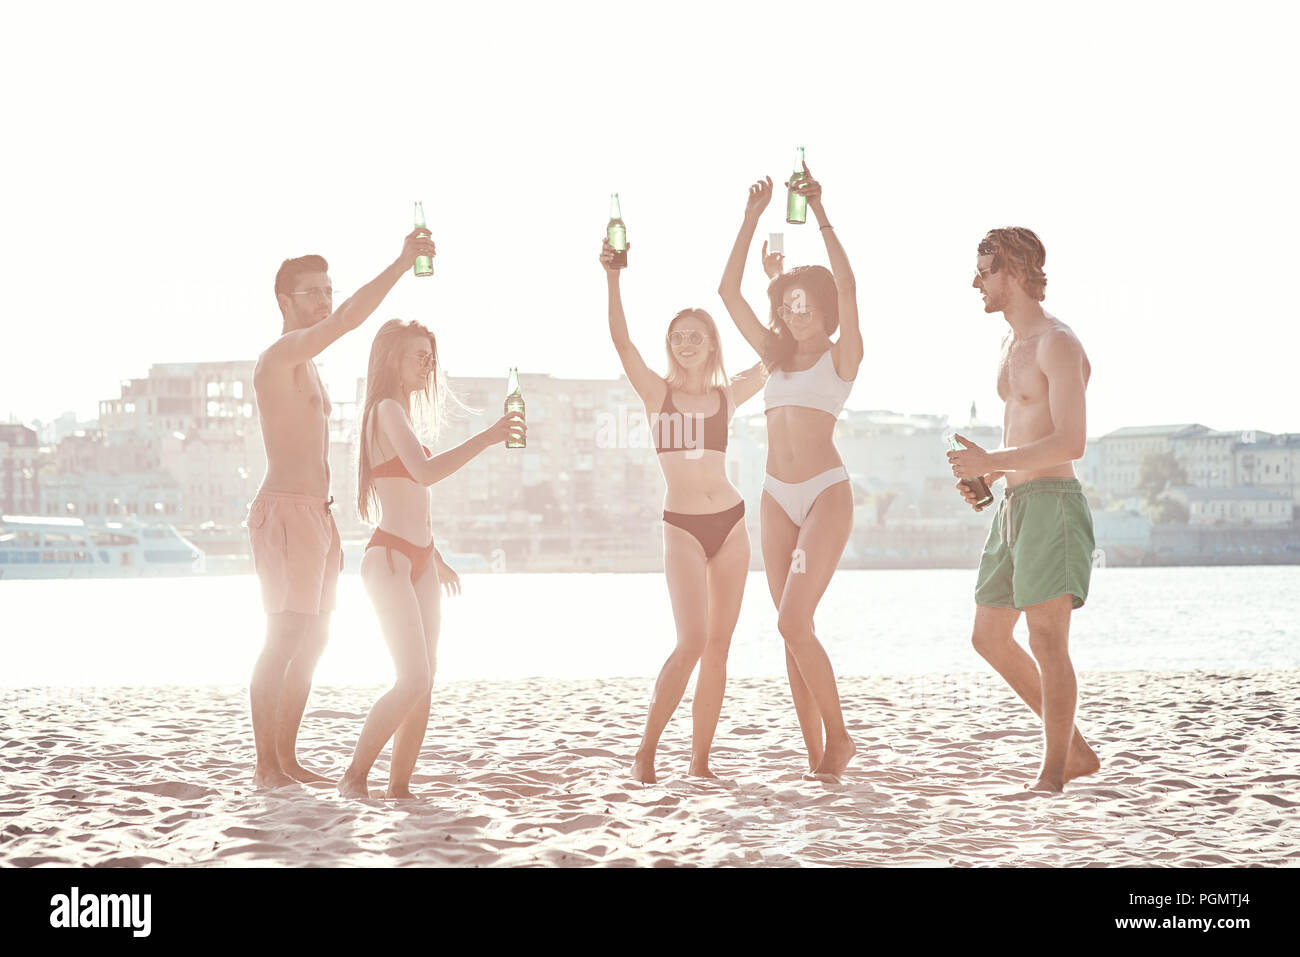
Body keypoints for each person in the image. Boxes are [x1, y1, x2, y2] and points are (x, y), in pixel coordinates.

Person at [248, 229, 436, 789]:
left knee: (317, 637)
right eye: (312, 293)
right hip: (284, 511)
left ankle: (287, 756)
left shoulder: (311, 367)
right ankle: (265, 765)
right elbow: (347, 323)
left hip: (319, 515)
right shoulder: (280, 356)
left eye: (328, 290)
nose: (324, 301)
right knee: (283, 636)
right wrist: (403, 262)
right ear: (284, 300)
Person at [600, 238, 766, 783]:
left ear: (713, 344)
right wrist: (614, 277)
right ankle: (646, 750)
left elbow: (771, 357)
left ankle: (700, 762)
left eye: (697, 336)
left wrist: (771, 280)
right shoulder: (657, 393)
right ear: (670, 346)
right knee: (691, 641)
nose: (686, 342)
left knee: (718, 647)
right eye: (678, 337)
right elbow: (622, 343)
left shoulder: (728, 395)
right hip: (684, 529)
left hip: (733, 523)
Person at [718, 165, 864, 780]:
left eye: (807, 306)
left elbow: (852, 289)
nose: (797, 314)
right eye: (789, 306)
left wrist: (822, 213)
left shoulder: (841, 358)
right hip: (775, 497)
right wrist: (751, 219)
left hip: (825, 495)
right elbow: (727, 293)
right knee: (789, 633)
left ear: (823, 310)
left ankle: (840, 738)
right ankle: (819, 759)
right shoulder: (772, 358)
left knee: (791, 619)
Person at [337, 320, 524, 799]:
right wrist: (488, 437)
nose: (427, 363)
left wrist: (435, 556)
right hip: (389, 559)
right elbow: (423, 474)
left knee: (426, 681)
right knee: (413, 677)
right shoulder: (385, 410)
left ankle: (399, 786)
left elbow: (412, 501)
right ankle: (354, 776)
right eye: (418, 354)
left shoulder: (401, 414)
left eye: (429, 355)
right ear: (391, 359)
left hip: (420, 558)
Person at [948, 227, 1099, 793]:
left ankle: (1053, 773)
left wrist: (994, 459)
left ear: (1013, 271)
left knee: (1047, 642)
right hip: (1012, 504)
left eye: (985, 271)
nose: (976, 281)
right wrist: (989, 473)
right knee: (988, 635)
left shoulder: (1058, 343)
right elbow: (1025, 434)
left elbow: (1071, 441)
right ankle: (1075, 748)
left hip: (1053, 505)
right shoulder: (1010, 347)